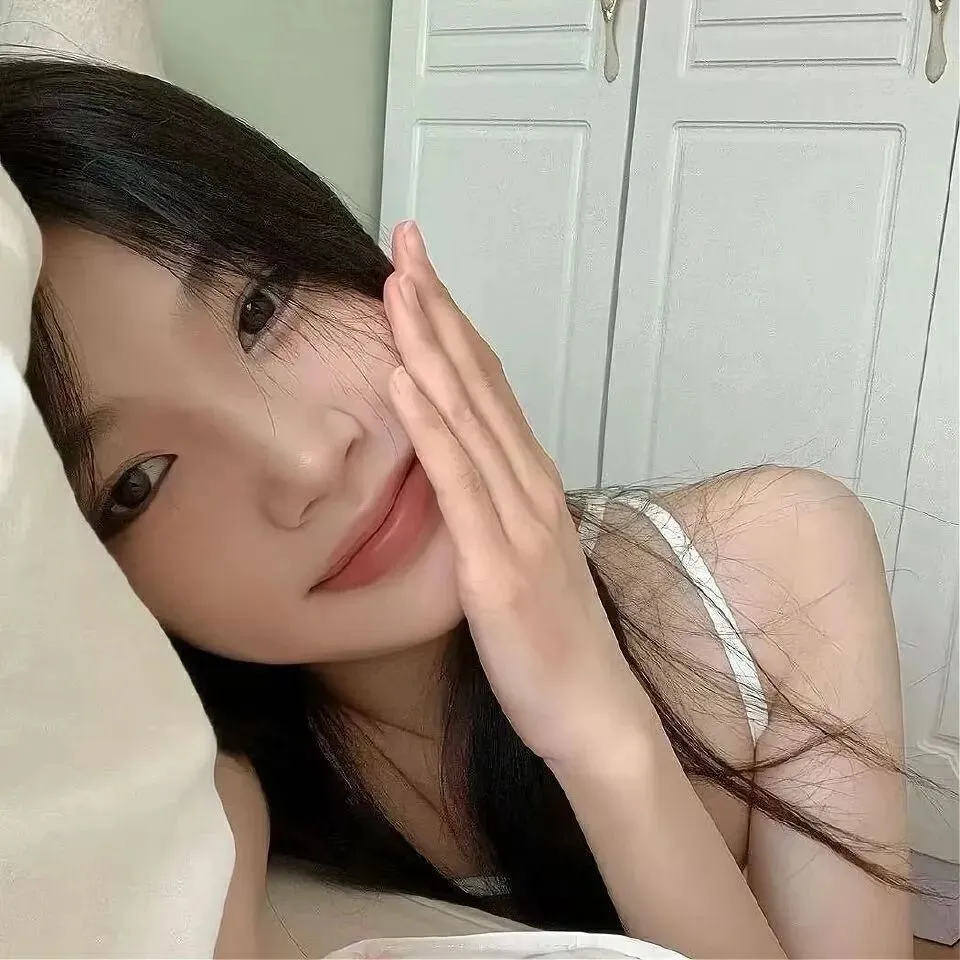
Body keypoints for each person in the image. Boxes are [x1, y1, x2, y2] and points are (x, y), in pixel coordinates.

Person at [1, 58, 918, 959]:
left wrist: (603, 733)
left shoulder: (777, 565)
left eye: (261, 309)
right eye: (137, 480)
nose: (309, 460)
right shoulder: (204, 815)